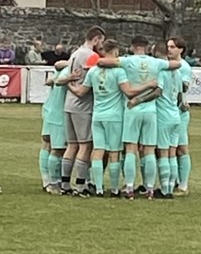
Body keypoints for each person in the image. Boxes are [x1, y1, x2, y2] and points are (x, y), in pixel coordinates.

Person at [68, 40, 157, 197]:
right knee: (114, 152)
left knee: (98, 150)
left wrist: (67, 84)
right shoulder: (119, 72)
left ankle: (99, 188)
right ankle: (115, 189)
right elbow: (129, 92)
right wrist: (148, 85)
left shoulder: (93, 71)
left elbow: (81, 92)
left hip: (98, 115)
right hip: (114, 116)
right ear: (115, 51)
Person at [98, 36, 181, 200]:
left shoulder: (127, 61)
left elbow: (102, 62)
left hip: (132, 108)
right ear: (146, 47)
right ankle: (150, 188)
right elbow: (176, 64)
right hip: (151, 111)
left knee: (131, 149)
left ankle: (129, 187)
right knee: (149, 149)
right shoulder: (155, 63)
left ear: (132, 47)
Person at [61, 26, 106, 197]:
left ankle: (65, 183)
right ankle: (80, 185)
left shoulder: (75, 52)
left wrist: (68, 84)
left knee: (71, 145)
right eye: (100, 42)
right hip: (82, 105)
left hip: (69, 104)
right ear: (96, 39)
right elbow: (91, 81)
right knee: (85, 145)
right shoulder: (90, 56)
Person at [39, 60, 75, 195]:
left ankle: (47, 180)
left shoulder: (64, 68)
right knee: (57, 148)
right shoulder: (70, 71)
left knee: (47, 144)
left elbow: (56, 69)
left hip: (50, 109)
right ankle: (54, 183)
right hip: (58, 113)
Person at [152, 41, 181, 199]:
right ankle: (170, 187)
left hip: (163, 115)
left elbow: (158, 91)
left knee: (163, 153)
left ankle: (165, 190)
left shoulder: (161, 71)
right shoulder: (176, 72)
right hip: (175, 114)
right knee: (172, 153)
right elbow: (180, 94)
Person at [168, 36, 193, 196]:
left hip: (179, 111)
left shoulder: (183, 66)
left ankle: (183, 184)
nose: (169, 49)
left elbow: (183, 88)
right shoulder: (167, 65)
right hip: (169, 111)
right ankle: (174, 181)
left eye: (172, 47)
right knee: (171, 148)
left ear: (180, 50)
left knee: (181, 148)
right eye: (168, 46)